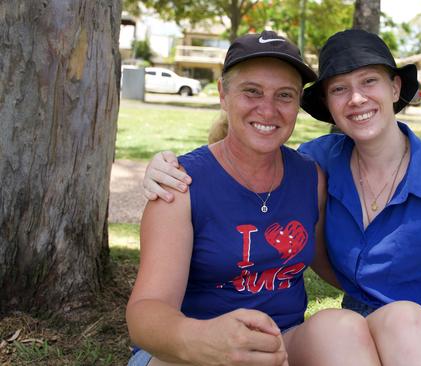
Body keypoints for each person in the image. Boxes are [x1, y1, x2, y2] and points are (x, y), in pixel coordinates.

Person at [143, 29, 421, 365]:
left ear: (395, 87)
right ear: (328, 105)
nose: (356, 99)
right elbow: (243, 151)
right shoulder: (318, 164)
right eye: (339, 89)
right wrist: (164, 165)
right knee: (365, 324)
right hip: (369, 330)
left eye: (370, 82)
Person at [126, 30, 389, 366]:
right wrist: (200, 340)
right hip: (188, 352)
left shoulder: (310, 177)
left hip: (282, 344)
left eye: (284, 96)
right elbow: (145, 313)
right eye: (252, 92)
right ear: (223, 94)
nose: (268, 110)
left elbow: (329, 261)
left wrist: (407, 285)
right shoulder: (180, 184)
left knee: (343, 327)